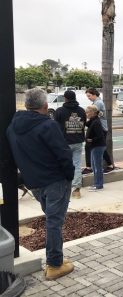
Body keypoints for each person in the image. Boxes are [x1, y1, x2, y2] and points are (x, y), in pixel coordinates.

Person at [7, 88, 74, 280]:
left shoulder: (12, 127)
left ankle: (56, 258)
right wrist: (69, 175)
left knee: (52, 219)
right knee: (54, 222)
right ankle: (54, 265)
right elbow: (63, 154)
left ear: (27, 105)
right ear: (45, 106)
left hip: (33, 183)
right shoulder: (48, 125)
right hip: (55, 181)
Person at [54, 90, 86, 199]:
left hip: (64, 142)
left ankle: (64, 188)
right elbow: (84, 124)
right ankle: (76, 190)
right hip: (77, 140)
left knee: (62, 165)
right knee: (77, 165)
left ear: (65, 98)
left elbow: (55, 127)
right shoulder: (81, 111)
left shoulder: (59, 111)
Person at [83, 88, 115, 174]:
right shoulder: (97, 102)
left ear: (94, 94)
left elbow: (91, 114)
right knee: (101, 147)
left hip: (100, 128)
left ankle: (89, 167)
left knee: (92, 147)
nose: (88, 98)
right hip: (99, 127)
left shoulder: (98, 103)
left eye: (89, 96)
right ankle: (109, 165)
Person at [85, 105, 107, 191]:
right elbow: (87, 124)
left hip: (98, 146)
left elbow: (100, 136)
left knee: (97, 166)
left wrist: (91, 140)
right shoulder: (93, 120)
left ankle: (99, 185)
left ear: (92, 112)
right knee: (94, 166)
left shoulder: (96, 122)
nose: (86, 114)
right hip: (94, 146)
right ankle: (96, 183)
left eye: (87, 112)